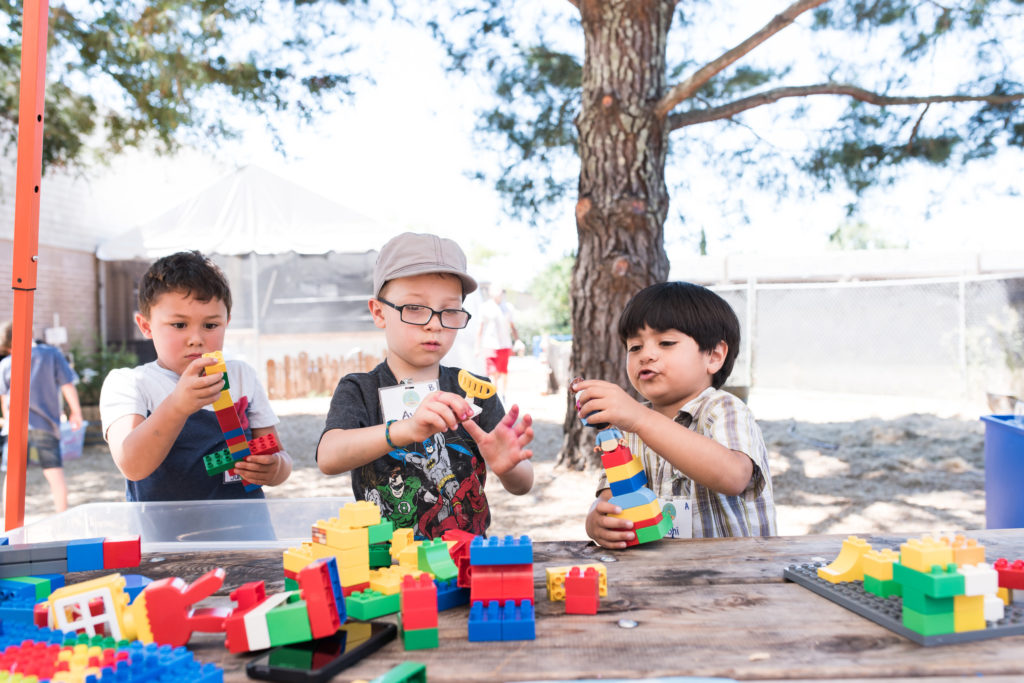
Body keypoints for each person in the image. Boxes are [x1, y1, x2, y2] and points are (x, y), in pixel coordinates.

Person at [317, 232, 534, 538]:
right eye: (415, 308)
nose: (435, 324)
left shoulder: (474, 390)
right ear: (379, 312)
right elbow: (328, 457)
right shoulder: (360, 389)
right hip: (386, 567)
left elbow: (523, 484)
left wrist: (507, 466)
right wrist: (407, 430)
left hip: (466, 562)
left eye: (449, 311)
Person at [577, 281, 776, 547]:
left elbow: (734, 477)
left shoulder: (724, 409)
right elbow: (611, 496)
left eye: (666, 342)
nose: (646, 355)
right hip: (657, 574)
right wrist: (597, 519)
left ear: (714, 356)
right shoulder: (627, 427)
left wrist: (641, 419)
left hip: (734, 574)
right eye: (634, 347)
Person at [99, 251, 292, 502]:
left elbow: (277, 452)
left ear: (226, 322)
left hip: (245, 533)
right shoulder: (130, 383)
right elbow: (132, 465)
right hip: (166, 535)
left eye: (211, 325)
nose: (196, 339)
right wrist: (178, 405)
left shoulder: (241, 376)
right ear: (146, 326)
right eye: (179, 325)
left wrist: (276, 468)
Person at [0, 322, 83, 513]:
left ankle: (8, 523)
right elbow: (67, 384)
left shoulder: (6, 363)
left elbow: (4, 397)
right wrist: (76, 411)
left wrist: (6, 419)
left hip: (15, 427)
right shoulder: (51, 354)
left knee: (12, 478)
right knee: (55, 474)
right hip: (45, 425)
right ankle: (62, 515)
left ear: (11, 343)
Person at [476, 284, 518, 402]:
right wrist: (477, 347)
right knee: (492, 372)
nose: (498, 292)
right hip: (489, 344)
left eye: (500, 290)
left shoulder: (508, 307)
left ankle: (503, 393)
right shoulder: (485, 307)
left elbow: (513, 326)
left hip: (504, 345)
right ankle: (494, 397)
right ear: (491, 292)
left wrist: (517, 340)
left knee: (503, 372)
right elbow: (480, 327)